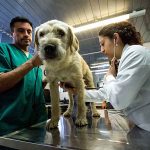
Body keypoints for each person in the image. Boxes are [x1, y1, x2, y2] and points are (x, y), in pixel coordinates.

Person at [62, 21, 150, 132]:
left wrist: (109, 76)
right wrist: (77, 92)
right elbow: (105, 93)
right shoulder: (126, 58)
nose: (101, 50)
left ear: (115, 39)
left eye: (102, 43)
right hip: (142, 125)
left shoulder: (135, 53)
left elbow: (119, 100)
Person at [0, 16, 47, 136]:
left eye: (29, 31)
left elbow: (32, 87)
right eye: (21, 31)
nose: (26, 34)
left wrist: (48, 79)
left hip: (38, 125)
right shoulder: (3, 50)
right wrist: (31, 64)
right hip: (11, 128)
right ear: (12, 33)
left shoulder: (35, 59)